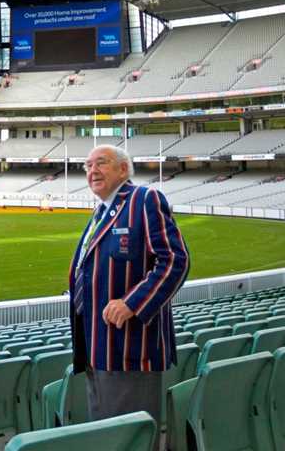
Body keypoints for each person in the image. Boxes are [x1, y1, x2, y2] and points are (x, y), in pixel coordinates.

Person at [70, 145, 189, 429]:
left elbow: (174, 260)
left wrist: (132, 303)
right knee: (104, 436)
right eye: (87, 166)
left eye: (101, 163)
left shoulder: (144, 199)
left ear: (123, 169)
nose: (92, 171)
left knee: (127, 436)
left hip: (127, 349)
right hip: (95, 347)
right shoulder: (101, 212)